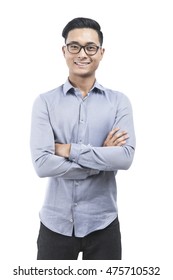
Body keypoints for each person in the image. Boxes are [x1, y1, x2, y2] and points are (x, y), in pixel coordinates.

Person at [30, 17, 136, 260]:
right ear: (64, 50)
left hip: (104, 223)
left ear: (101, 52)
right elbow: (42, 164)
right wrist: (100, 161)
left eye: (90, 47)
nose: (82, 54)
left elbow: (125, 158)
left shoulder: (119, 102)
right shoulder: (45, 102)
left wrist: (67, 149)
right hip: (54, 224)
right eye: (74, 46)